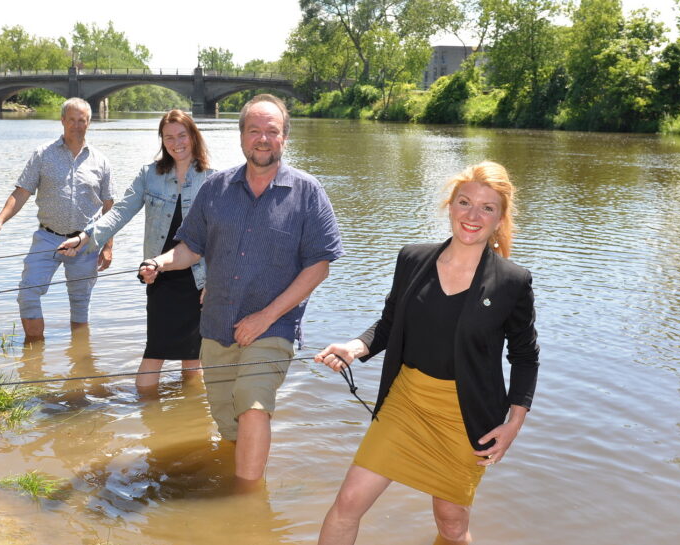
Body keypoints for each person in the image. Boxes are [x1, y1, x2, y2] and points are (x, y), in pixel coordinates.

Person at [313, 161, 540, 545]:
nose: (472, 216)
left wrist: (514, 423)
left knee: (451, 523)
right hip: (407, 401)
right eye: (464, 202)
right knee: (349, 501)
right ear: (450, 206)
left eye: (487, 208)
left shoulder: (512, 282)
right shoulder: (412, 259)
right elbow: (389, 323)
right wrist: (354, 347)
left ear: (500, 219)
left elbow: (525, 355)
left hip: (465, 416)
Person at [139, 94, 344, 484]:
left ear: (285, 137)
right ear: (241, 136)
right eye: (254, 131)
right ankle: (235, 494)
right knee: (229, 427)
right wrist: (160, 263)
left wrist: (266, 317)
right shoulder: (215, 188)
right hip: (216, 327)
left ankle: (249, 505)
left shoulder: (308, 192)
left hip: (273, 328)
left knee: (252, 405)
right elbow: (190, 248)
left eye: (272, 131)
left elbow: (319, 266)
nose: (262, 139)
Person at [57, 109, 213, 392]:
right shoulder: (149, 175)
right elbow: (120, 212)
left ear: (193, 136)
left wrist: (215, 281)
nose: (176, 143)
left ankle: (190, 411)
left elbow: (222, 237)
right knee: (155, 351)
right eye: (168, 137)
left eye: (182, 135)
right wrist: (84, 237)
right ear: (162, 140)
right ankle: (147, 410)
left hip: (199, 278)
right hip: (158, 273)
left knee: (193, 356)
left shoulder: (213, 179)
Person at [0, 97, 114, 342]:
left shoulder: (101, 161)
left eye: (82, 120)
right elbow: (21, 192)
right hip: (47, 238)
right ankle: (34, 352)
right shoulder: (43, 154)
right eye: (71, 120)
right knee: (28, 293)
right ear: (62, 121)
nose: (76, 125)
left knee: (80, 302)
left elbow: (109, 208)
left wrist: (108, 246)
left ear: (89, 122)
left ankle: (79, 359)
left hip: (86, 243)